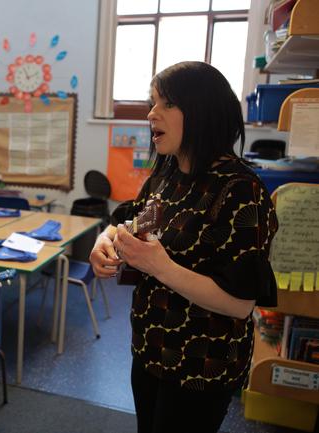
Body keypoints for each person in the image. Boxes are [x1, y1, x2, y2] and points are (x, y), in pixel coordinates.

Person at [89, 61, 278, 433]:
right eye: (152, 103)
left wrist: (160, 267)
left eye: (167, 104)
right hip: (150, 349)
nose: (151, 113)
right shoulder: (169, 173)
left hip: (200, 368)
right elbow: (135, 220)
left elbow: (240, 304)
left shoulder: (241, 190)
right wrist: (104, 241)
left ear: (203, 111)